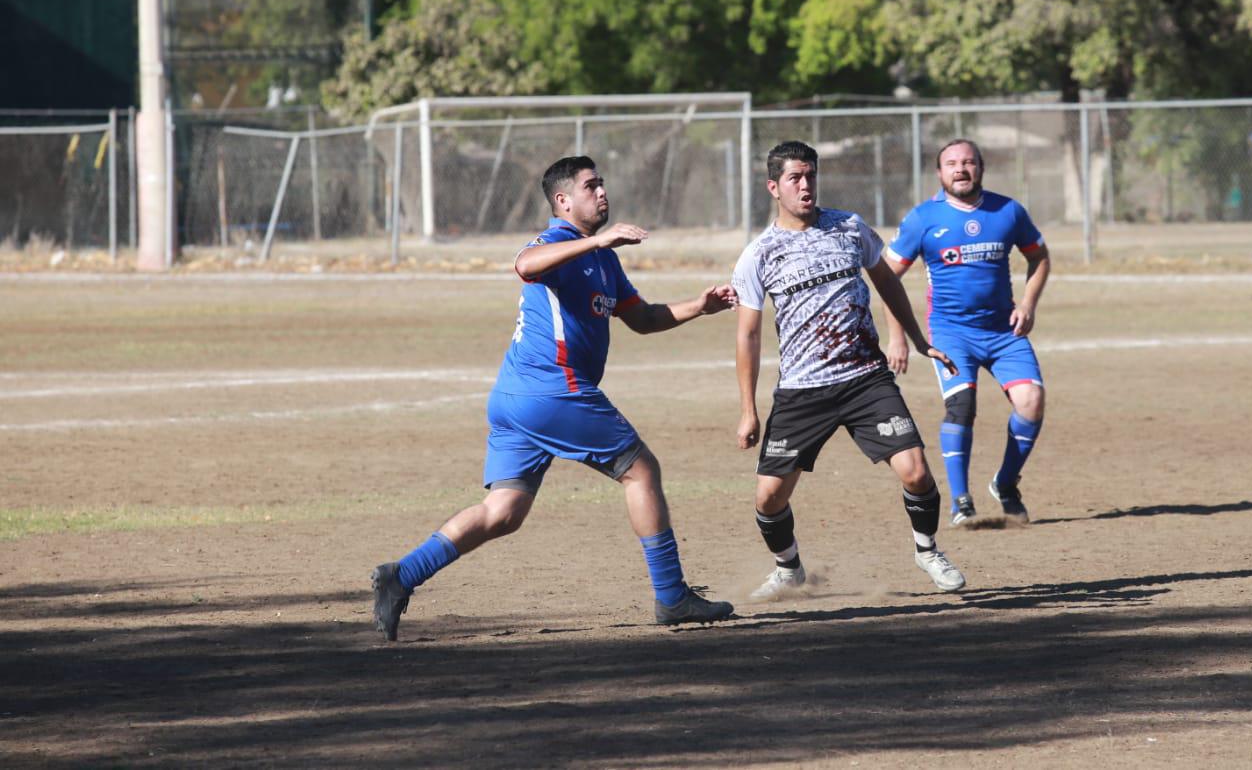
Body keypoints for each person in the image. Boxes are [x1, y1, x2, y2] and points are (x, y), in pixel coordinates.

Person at [371, 156, 737, 639]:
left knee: (503, 513)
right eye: (591, 186)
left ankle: (402, 575)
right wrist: (598, 238)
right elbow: (524, 264)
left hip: (520, 396)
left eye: (602, 183)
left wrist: (700, 306)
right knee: (641, 470)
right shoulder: (560, 243)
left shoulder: (603, 260)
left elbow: (643, 318)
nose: (602, 192)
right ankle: (672, 598)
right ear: (563, 201)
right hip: (553, 388)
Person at [732, 140, 968, 601]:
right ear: (773, 187)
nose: (806, 185)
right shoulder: (759, 254)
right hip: (802, 390)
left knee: (916, 471)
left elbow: (887, 283)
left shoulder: (849, 227)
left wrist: (918, 341)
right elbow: (748, 336)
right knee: (768, 499)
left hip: (866, 380)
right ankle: (789, 568)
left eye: (811, 176)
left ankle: (927, 550)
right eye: (795, 178)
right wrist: (748, 409)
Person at [883, 139, 1051, 524]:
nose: (961, 169)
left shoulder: (1008, 211)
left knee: (1032, 402)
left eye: (969, 162)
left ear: (981, 169)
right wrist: (897, 338)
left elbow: (1039, 257)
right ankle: (961, 502)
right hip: (951, 333)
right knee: (962, 406)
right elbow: (887, 278)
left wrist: (1027, 304)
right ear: (939, 173)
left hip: (1003, 330)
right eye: (952, 164)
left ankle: (1006, 484)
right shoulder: (923, 219)